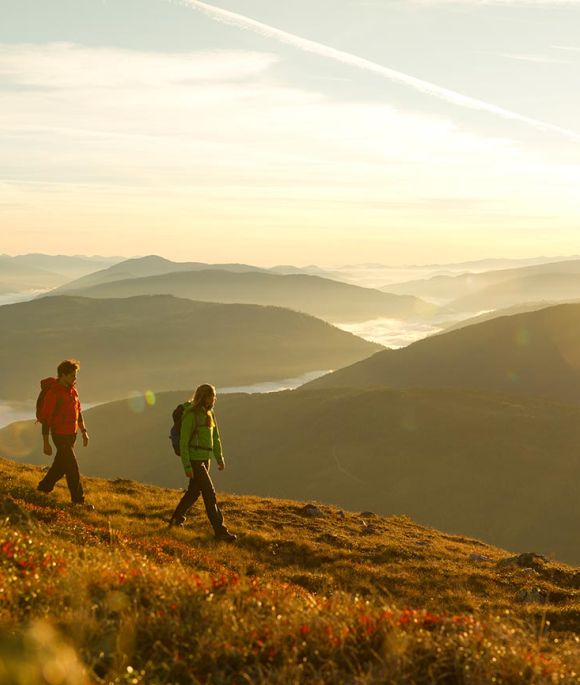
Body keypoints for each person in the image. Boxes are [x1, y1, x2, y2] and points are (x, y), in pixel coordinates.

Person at [169, 383, 236, 542]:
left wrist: (219, 458)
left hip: (205, 459)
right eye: (211, 395)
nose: (214, 398)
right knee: (209, 494)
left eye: (214, 395)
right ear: (204, 397)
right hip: (194, 460)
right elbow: (184, 442)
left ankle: (175, 520)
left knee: (193, 492)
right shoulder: (191, 415)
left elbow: (215, 438)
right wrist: (186, 465)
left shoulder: (210, 413)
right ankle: (220, 531)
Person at [37, 359, 93, 508]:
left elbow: (78, 413)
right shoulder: (54, 393)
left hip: (71, 435)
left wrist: (84, 431)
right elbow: (46, 419)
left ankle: (43, 488)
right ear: (63, 375)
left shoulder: (73, 391)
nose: (75, 378)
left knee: (60, 467)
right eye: (73, 375)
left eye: (76, 375)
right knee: (72, 468)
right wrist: (46, 443)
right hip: (59, 436)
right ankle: (78, 501)